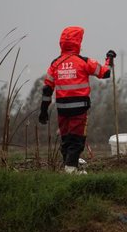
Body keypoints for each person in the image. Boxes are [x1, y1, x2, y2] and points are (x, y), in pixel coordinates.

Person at [39, 26, 116, 174]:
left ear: (61, 43)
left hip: (62, 109)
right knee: (77, 140)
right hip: (80, 109)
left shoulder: (55, 64)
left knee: (66, 139)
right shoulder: (83, 61)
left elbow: (47, 90)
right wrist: (109, 58)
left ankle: (68, 167)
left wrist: (43, 112)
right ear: (78, 43)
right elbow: (105, 73)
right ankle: (71, 170)